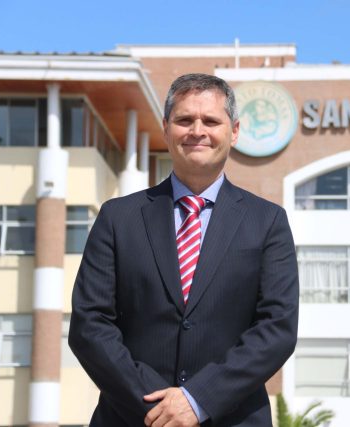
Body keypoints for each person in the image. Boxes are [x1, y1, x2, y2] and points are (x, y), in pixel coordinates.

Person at [69, 73, 299, 427]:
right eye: (185, 120)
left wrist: (197, 401)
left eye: (211, 121)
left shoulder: (267, 222)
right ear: (166, 129)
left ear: (234, 131)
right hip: (132, 417)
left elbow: (277, 329)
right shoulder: (118, 218)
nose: (197, 131)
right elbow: (90, 324)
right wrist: (158, 408)